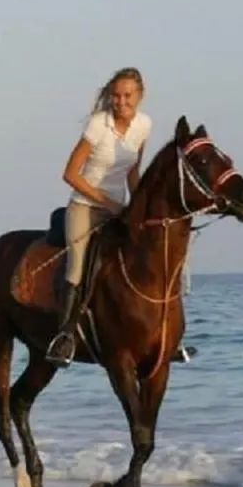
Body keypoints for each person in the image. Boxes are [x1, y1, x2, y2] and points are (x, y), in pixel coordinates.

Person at [45, 67, 153, 367]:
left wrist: (138, 206)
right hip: (85, 205)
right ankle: (64, 337)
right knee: (78, 267)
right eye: (116, 96)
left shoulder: (144, 125)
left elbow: (132, 170)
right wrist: (107, 202)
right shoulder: (98, 125)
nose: (121, 102)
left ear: (140, 96)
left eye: (127, 95)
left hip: (118, 206)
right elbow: (70, 174)